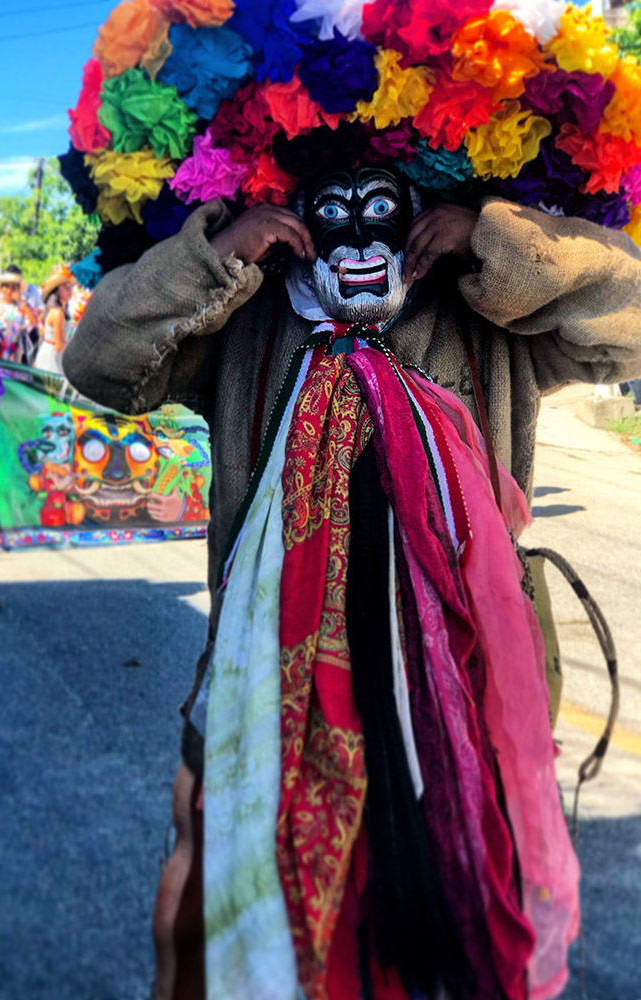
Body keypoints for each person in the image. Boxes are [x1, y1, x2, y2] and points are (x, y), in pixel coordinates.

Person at [60, 4, 641, 998]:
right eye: (332, 209)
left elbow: (624, 323)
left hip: (459, 706)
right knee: (217, 932)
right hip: (263, 703)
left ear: (420, 207)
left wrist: (495, 241)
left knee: (444, 942)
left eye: (385, 206)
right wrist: (221, 251)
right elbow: (99, 362)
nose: (359, 234)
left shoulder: (481, 313)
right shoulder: (242, 321)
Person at [34, 268, 73, 375]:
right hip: (51, 358)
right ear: (56, 290)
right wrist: (78, 348)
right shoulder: (57, 312)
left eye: (70, 286)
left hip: (55, 356)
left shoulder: (61, 310)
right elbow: (59, 345)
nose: (69, 290)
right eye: (65, 287)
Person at [0, 271, 35, 363]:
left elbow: (34, 322)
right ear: (1, 288)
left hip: (17, 352)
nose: (9, 290)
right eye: (6, 286)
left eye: (14, 287)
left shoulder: (23, 306)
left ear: (19, 290)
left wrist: (20, 301)